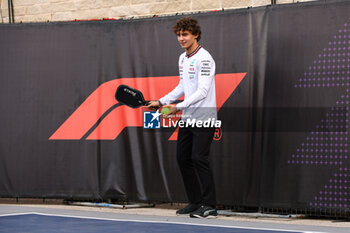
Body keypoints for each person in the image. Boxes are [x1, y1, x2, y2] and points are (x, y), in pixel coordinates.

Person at [147, 17, 217, 218]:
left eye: (185, 34)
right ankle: (195, 202)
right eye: (179, 35)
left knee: (198, 158)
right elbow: (182, 87)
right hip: (188, 117)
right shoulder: (182, 58)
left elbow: (203, 91)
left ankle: (210, 205)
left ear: (195, 34)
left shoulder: (205, 58)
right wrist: (160, 102)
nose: (181, 38)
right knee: (182, 158)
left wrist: (176, 107)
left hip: (204, 117)